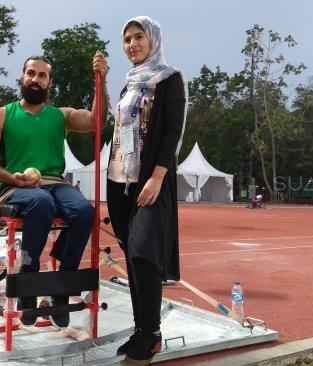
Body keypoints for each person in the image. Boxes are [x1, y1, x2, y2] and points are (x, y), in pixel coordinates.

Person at [0, 52, 108, 328]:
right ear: (22, 77)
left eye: (42, 75)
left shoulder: (60, 116)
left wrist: (102, 80)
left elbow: (98, 121)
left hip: (55, 182)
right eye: (31, 73)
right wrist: (10, 176)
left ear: (49, 83)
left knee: (85, 211)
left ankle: (60, 288)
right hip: (15, 185)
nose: (35, 79)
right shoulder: (1, 115)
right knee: (41, 202)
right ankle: (28, 280)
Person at [105, 16, 187, 364]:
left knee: (143, 252)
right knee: (131, 258)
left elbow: (172, 132)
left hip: (151, 180)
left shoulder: (170, 78)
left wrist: (157, 176)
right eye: (127, 39)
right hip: (119, 181)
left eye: (139, 37)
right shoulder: (128, 85)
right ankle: (140, 330)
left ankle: (152, 334)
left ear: (153, 39)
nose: (132, 44)